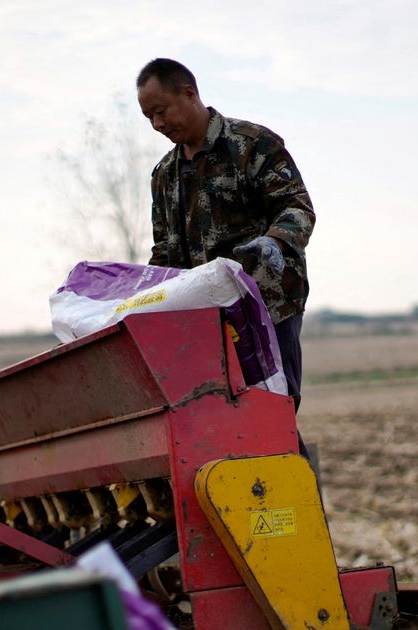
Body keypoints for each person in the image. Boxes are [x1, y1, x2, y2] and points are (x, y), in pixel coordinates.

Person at [135, 58, 314, 410]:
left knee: (271, 413)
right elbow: (163, 252)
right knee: (218, 420)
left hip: (265, 308)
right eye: (149, 118)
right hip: (200, 320)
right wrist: (145, 297)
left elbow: (297, 206)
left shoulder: (251, 145)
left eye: (161, 111)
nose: (157, 124)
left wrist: (275, 241)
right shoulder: (165, 175)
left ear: (189, 93)